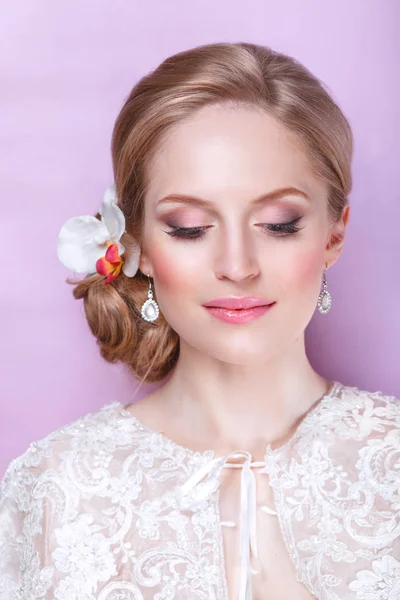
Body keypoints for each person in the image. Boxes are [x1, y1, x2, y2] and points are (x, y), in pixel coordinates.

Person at [1, 41, 399, 600]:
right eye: (189, 227)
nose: (237, 267)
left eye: (279, 223)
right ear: (134, 241)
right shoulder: (58, 486)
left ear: (334, 234)